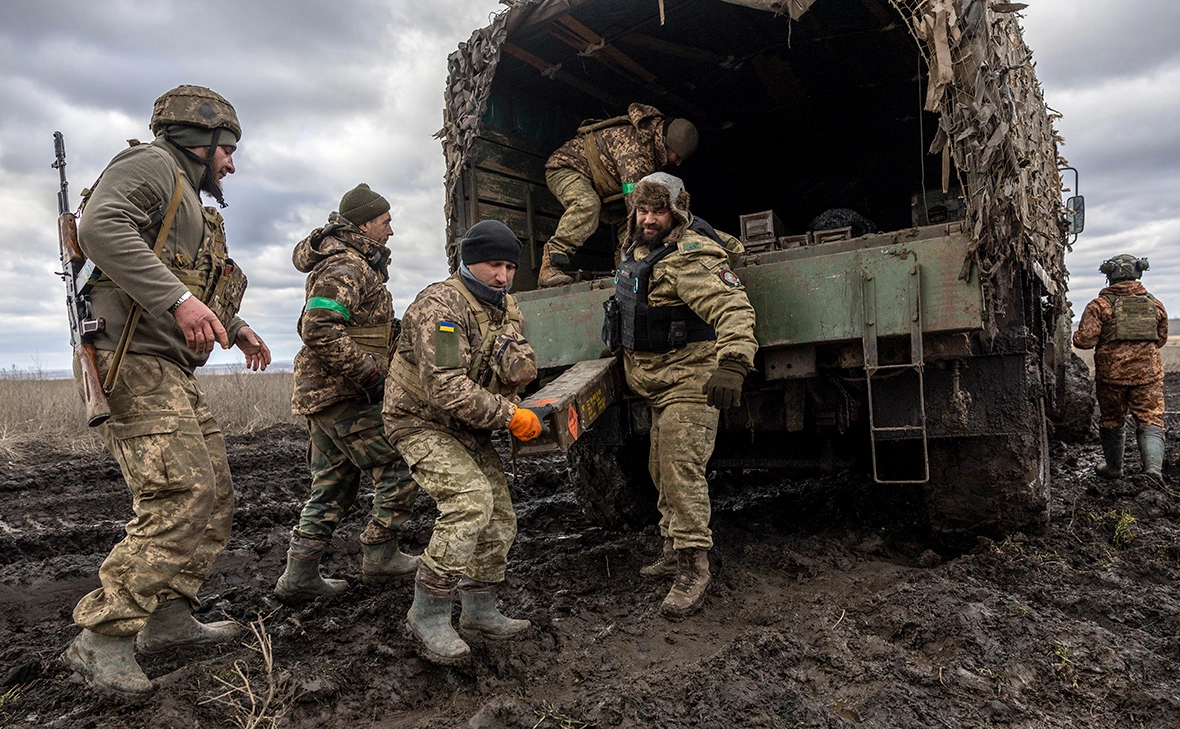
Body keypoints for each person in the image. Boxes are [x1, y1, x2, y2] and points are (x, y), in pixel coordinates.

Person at [63, 85, 271, 697]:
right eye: (227, 150)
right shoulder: (151, 165)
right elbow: (101, 227)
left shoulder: (187, 197)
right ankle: (102, 638)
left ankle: (169, 616)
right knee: (181, 493)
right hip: (132, 361)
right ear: (199, 141)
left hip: (170, 367)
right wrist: (178, 301)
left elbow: (187, 277)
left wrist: (233, 324)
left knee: (216, 492)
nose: (231, 164)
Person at [384, 219, 546, 664]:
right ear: (470, 261)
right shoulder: (441, 306)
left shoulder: (507, 307)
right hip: (420, 422)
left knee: (500, 517)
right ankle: (428, 614)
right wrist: (510, 416)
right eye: (494, 265)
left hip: (467, 426)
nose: (503, 276)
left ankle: (479, 610)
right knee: (469, 501)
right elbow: (446, 386)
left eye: (510, 267)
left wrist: (518, 402)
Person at [609, 172, 757, 619]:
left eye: (658, 211)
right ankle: (673, 549)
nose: (648, 219)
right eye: (642, 210)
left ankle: (694, 566)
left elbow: (732, 307)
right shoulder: (638, 250)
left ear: (677, 212)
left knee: (679, 468)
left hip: (689, 379)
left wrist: (734, 362)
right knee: (659, 467)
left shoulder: (691, 256)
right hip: (655, 383)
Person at [273, 184, 420, 603]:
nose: (391, 230)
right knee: (400, 460)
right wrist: (369, 374)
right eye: (385, 221)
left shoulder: (352, 262)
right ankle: (381, 555)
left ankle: (299, 576)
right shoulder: (345, 265)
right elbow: (318, 326)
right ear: (364, 224)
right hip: (343, 393)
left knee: (333, 483)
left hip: (326, 395)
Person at [539, 103, 698, 287]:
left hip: (600, 182)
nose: (678, 163)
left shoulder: (651, 148)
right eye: (677, 156)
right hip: (566, 168)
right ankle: (551, 265)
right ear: (666, 143)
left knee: (626, 218)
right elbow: (636, 204)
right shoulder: (635, 149)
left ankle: (624, 269)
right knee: (588, 204)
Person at [1073, 254, 1169, 485]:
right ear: (1138, 273)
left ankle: (1114, 468)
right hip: (1148, 375)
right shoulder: (1155, 304)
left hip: (1111, 378)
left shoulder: (1099, 306)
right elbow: (1161, 339)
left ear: (1110, 275)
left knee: (1112, 419)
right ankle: (1152, 470)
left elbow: (1084, 341)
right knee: (1151, 419)